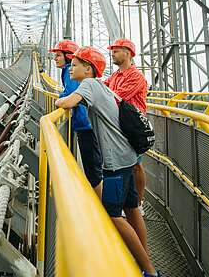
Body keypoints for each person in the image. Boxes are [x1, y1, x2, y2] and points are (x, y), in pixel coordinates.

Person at [54, 46, 159, 277]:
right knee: (132, 209)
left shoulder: (89, 85)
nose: (71, 67)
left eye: (76, 64)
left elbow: (68, 102)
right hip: (128, 157)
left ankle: (149, 271)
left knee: (113, 214)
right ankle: (145, 259)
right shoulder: (103, 86)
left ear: (88, 68)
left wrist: (58, 102)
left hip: (115, 163)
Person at [105, 38, 149, 250]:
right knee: (132, 166)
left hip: (133, 129)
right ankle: (132, 203)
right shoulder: (114, 76)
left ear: (128, 53)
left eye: (116, 50)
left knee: (136, 165)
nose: (112, 53)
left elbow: (115, 98)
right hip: (121, 128)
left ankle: (137, 204)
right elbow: (105, 91)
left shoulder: (135, 76)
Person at [49, 41, 103, 196]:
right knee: (94, 167)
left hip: (86, 126)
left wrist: (60, 99)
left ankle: (104, 211)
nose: (55, 59)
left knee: (93, 170)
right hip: (86, 125)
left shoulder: (68, 72)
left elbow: (72, 95)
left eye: (58, 55)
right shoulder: (69, 72)